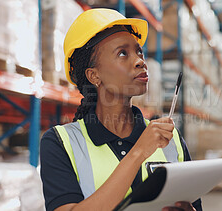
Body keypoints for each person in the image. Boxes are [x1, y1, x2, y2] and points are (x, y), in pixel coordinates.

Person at [39, 9, 202, 211]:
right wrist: (139, 152)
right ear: (94, 76)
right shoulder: (60, 143)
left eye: (139, 51)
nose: (140, 61)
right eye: (122, 53)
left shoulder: (171, 140)